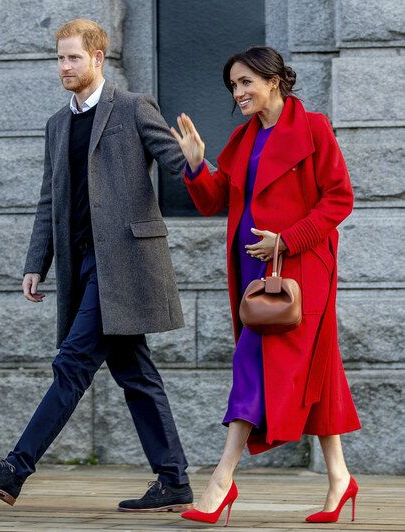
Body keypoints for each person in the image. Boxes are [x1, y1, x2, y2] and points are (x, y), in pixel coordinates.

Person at [0, 18, 193, 512]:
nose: (64, 66)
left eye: (73, 57)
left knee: (72, 363)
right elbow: (50, 199)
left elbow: (178, 164)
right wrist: (36, 262)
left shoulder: (132, 108)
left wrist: (196, 162)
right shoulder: (57, 124)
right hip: (82, 265)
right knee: (135, 374)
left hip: (125, 264)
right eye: (60, 58)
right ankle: (174, 480)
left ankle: (16, 467)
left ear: (97, 58)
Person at [170, 46, 361, 525]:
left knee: (251, 362)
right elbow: (213, 201)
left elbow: (339, 198)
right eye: (233, 86)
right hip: (254, 273)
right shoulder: (243, 138)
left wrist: (288, 239)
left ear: (273, 80)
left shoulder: (313, 127)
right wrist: (196, 165)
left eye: (246, 82)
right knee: (318, 368)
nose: (238, 93)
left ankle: (221, 480)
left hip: (300, 270)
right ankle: (340, 477)